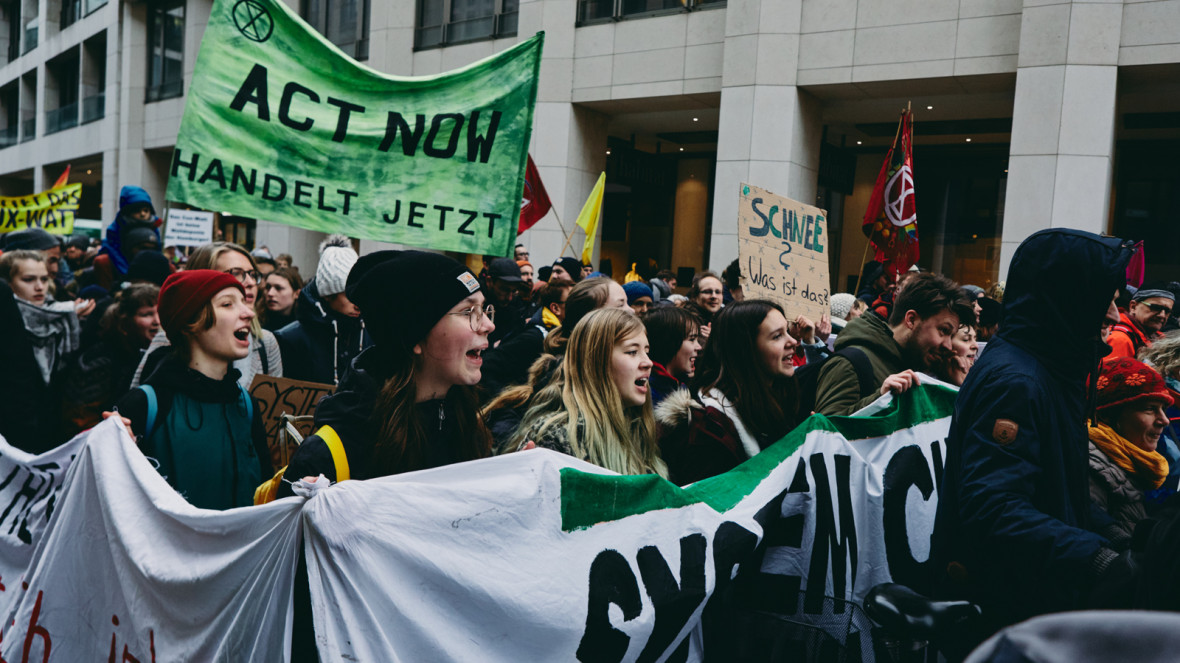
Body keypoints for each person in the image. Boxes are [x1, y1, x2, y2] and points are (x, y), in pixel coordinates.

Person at [930, 228, 1138, 649]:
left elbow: (1052, 485)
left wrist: (1116, 535)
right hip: (1003, 611)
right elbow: (994, 508)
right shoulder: (1018, 381)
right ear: (1068, 295)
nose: (1116, 316)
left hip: (1032, 599)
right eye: (1107, 300)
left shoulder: (1050, 368)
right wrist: (1095, 557)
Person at [277, 250, 494, 495]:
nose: (488, 325)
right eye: (468, 312)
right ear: (415, 335)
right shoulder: (327, 459)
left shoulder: (469, 429)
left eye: (484, 310)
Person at [113, 270, 272, 510]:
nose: (248, 313)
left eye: (244, 302)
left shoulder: (246, 404)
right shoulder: (144, 406)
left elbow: (264, 494)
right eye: (227, 304)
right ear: (190, 321)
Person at [656, 300, 799, 485]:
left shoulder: (783, 396)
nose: (793, 342)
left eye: (787, 331)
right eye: (777, 336)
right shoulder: (708, 429)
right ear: (745, 348)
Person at [514, 308, 665, 477]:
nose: (648, 362)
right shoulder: (556, 440)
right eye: (632, 352)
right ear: (596, 363)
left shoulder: (639, 430)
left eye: (647, 351)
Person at [482, 276, 626, 450]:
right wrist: (514, 438)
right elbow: (490, 368)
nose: (631, 311)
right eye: (620, 306)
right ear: (589, 319)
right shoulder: (540, 349)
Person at [813, 273, 975, 416]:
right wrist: (880, 400)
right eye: (943, 330)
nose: (948, 345)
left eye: (951, 336)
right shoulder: (850, 364)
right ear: (911, 319)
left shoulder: (927, 367)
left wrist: (951, 383)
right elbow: (825, 435)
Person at [132, 242, 283, 389]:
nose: (250, 282)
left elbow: (274, 411)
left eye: (252, 274)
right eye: (236, 273)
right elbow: (137, 403)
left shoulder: (266, 343)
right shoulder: (169, 339)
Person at [1086, 356, 1173, 547]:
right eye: (1150, 409)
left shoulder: (1134, 460)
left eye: (1163, 409)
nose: (1164, 420)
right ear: (1108, 415)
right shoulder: (1091, 470)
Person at [60, 284, 160, 436]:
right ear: (125, 322)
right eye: (146, 314)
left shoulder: (151, 355)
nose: (157, 321)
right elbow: (80, 420)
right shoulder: (100, 361)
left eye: (160, 312)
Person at [275, 234, 369, 384]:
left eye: (360, 293)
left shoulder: (370, 333)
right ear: (328, 294)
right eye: (349, 294)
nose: (358, 302)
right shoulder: (290, 338)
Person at [479, 277, 573, 399]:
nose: (578, 305)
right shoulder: (535, 336)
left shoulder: (556, 333)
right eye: (572, 301)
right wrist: (510, 400)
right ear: (555, 308)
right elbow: (488, 365)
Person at [79, 186, 162, 291]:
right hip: (121, 267)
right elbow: (112, 247)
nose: (143, 214)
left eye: (146, 210)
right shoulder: (117, 227)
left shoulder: (154, 227)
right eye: (137, 210)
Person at [643, 306, 702, 407]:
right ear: (669, 343)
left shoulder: (681, 385)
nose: (699, 347)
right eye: (692, 339)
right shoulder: (648, 396)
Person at [1107, 284, 1174, 359]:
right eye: (1155, 307)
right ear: (1133, 306)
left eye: (1167, 311)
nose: (1162, 315)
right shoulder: (1120, 340)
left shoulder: (1160, 339)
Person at [483, 257, 527, 345]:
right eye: (504, 290)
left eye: (514, 291)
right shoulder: (475, 306)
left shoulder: (515, 308)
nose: (509, 298)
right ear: (489, 281)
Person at [260, 267, 303, 332]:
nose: (270, 293)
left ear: (297, 294)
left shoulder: (305, 325)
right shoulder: (257, 321)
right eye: (268, 287)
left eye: (278, 288)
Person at [686, 271, 724, 343]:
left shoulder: (724, 319)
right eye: (707, 292)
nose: (714, 296)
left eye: (718, 292)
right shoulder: (686, 321)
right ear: (695, 296)